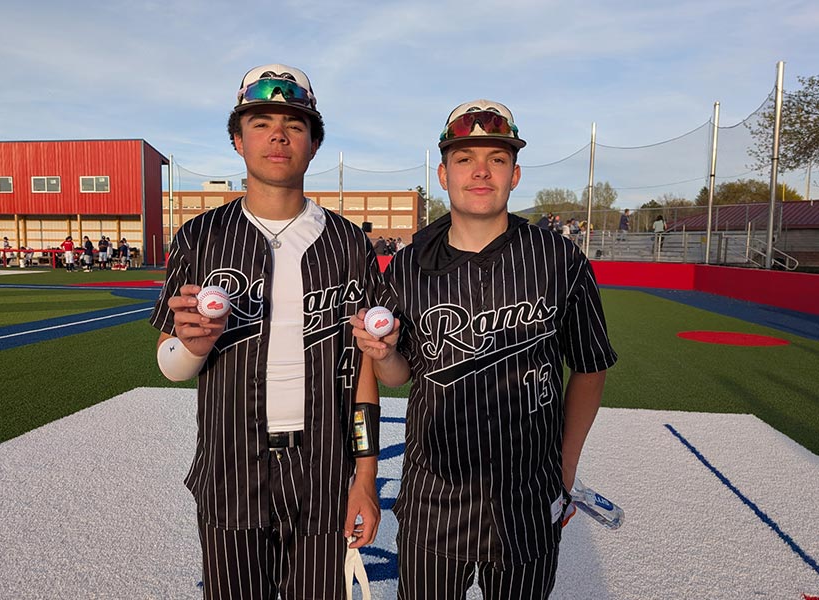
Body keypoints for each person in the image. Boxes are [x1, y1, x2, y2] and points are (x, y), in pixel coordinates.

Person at [352, 99, 617, 599]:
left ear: (515, 174)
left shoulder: (558, 258)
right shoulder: (409, 265)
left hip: (527, 502)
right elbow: (396, 374)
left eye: (496, 159)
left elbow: (590, 366)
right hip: (433, 502)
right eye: (464, 158)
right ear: (442, 172)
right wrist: (384, 354)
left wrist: (566, 466)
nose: (480, 171)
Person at [149, 63, 381, 600]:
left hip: (323, 468)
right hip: (231, 466)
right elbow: (168, 359)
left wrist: (365, 477)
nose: (278, 134)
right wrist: (192, 346)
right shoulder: (200, 236)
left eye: (295, 124)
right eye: (260, 122)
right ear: (237, 139)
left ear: (314, 143)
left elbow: (367, 371)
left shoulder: (347, 243)